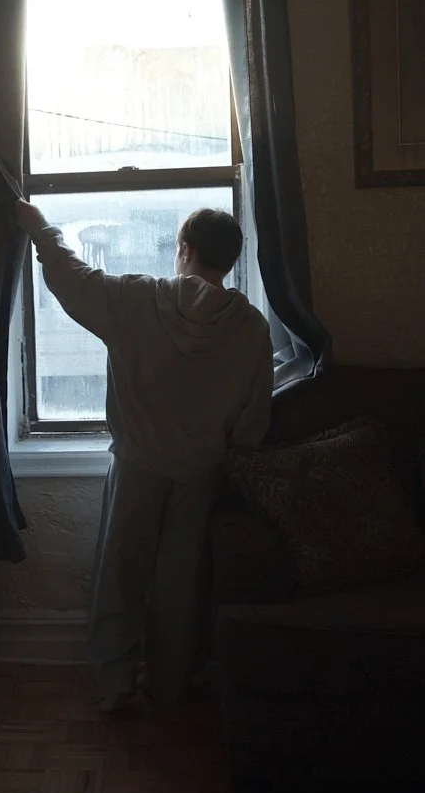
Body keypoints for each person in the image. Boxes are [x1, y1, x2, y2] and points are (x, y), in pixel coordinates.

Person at [16, 200, 272, 711]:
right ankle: (170, 684)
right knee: (181, 584)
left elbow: (72, 278)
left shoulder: (138, 299)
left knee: (121, 574)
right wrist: (234, 459)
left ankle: (115, 683)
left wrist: (41, 228)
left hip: (139, 462)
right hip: (201, 470)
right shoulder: (251, 328)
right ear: (230, 260)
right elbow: (254, 416)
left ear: (184, 251)